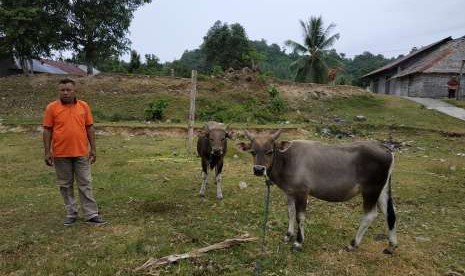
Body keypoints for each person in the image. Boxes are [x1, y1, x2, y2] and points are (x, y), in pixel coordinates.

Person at [43, 78, 106, 226]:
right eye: (62, 90)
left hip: (81, 153)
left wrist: (93, 149)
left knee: (85, 183)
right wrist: (47, 151)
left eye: (68, 90)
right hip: (60, 154)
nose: (65, 93)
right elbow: (47, 130)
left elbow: (89, 127)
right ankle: (71, 213)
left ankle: (91, 214)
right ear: (59, 91)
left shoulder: (83, 106)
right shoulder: (52, 108)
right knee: (65, 185)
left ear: (74, 90)